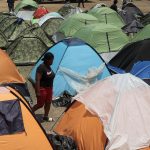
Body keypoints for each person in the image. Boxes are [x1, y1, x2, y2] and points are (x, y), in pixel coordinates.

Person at [32, 52, 55, 122]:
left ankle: (46, 116)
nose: (52, 61)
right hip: (42, 89)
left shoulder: (48, 66)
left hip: (49, 88)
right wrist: (38, 91)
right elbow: (37, 80)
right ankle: (30, 112)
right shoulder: (41, 67)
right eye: (51, 60)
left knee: (48, 102)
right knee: (40, 104)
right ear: (47, 60)